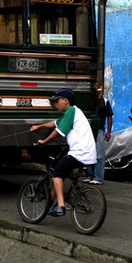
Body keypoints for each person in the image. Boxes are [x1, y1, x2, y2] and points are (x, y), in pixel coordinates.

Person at [30, 88, 97, 216]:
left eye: (57, 101)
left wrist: (44, 141)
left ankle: (60, 206)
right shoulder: (73, 113)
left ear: (65, 101)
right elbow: (55, 123)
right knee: (61, 169)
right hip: (86, 153)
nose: (55, 105)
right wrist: (39, 126)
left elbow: (59, 131)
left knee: (57, 173)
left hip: (79, 153)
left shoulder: (71, 111)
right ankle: (53, 199)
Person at [86, 95, 114, 185]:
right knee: (89, 153)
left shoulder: (105, 101)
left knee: (99, 155)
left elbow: (110, 116)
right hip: (89, 130)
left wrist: (108, 132)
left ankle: (98, 178)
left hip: (99, 129)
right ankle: (90, 176)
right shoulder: (89, 99)